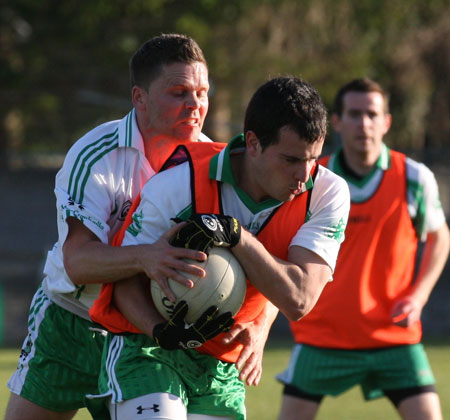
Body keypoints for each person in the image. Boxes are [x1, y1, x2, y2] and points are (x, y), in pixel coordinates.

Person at [5, 33, 266, 420]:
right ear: (139, 98)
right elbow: (77, 261)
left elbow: (267, 249)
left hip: (150, 335)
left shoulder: (215, 163)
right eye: (179, 92)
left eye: (202, 92)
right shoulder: (97, 153)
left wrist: (260, 325)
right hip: (72, 324)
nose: (195, 105)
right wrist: (149, 257)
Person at [87, 76, 350, 420]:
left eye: (313, 159)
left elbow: (299, 298)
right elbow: (126, 280)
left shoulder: (327, 193)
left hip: (222, 362)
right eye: (290, 160)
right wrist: (161, 331)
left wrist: (236, 236)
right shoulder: (178, 184)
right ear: (253, 143)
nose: (304, 175)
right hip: (147, 347)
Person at [277, 78, 450, 420]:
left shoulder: (414, 177)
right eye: (354, 114)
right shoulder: (311, 178)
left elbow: (440, 236)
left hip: (393, 336)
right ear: (336, 122)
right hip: (322, 336)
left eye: (372, 114)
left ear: (386, 121)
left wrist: (419, 295)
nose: (364, 123)